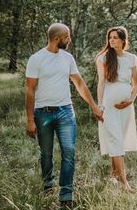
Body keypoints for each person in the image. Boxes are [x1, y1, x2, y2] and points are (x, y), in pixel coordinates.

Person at [25, 23, 103, 207]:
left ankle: (66, 195)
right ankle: (47, 184)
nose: (69, 40)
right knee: (46, 153)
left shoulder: (67, 58)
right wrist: (30, 120)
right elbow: (30, 90)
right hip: (42, 113)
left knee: (69, 152)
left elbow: (80, 84)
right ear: (57, 39)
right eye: (67, 37)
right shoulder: (36, 59)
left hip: (65, 112)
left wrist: (93, 106)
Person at [96, 26, 137, 193]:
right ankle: (124, 183)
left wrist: (130, 100)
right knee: (116, 141)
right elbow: (101, 83)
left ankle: (113, 175)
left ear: (123, 40)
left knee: (118, 140)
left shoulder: (131, 58)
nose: (111, 40)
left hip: (127, 107)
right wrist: (100, 106)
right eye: (110, 38)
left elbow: (136, 84)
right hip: (109, 106)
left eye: (115, 37)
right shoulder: (103, 57)